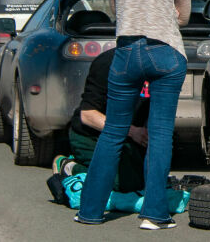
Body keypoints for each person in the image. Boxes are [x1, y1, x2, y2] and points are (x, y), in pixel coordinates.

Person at [75, 0, 190, 230]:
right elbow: (183, 13)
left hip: (125, 53)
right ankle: (154, 215)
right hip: (166, 52)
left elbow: (113, 6)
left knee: (112, 132)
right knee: (160, 133)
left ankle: (91, 211)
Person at [52, 47, 149, 194]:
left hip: (128, 137)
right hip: (91, 135)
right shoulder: (108, 62)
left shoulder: (160, 66)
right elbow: (88, 115)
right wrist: (133, 131)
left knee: (143, 181)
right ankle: (68, 165)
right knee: (119, 182)